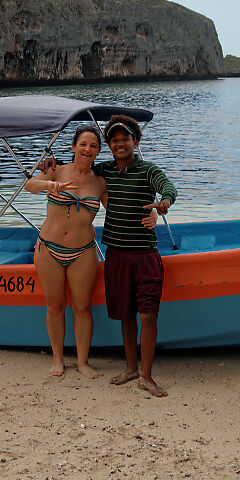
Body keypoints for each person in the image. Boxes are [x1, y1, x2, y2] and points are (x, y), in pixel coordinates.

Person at [96, 114, 177, 397]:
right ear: (109, 145)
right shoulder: (104, 170)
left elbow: (167, 186)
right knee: (126, 316)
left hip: (145, 255)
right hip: (116, 254)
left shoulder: (147, 170)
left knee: (148, 316)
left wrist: (164, 202)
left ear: (135, 141)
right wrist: (51, 166)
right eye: (114, 141)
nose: (120, 144)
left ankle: (147, 376)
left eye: (125, 139)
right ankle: (131, 369)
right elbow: (78, 171)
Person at [24, 125, 107, 379]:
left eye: (93, 145)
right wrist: (50, 183)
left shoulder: (100, 182)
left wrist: (149, 211)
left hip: (83, 252)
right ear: (73, 147)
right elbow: (29, 186)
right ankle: (58, 359)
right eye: (83, 144)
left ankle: (83, 362)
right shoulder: (56, 169)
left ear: (98, 152)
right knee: (55, 305)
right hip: (49, 248)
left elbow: (119, 208)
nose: (87, 149)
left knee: (83, 308)